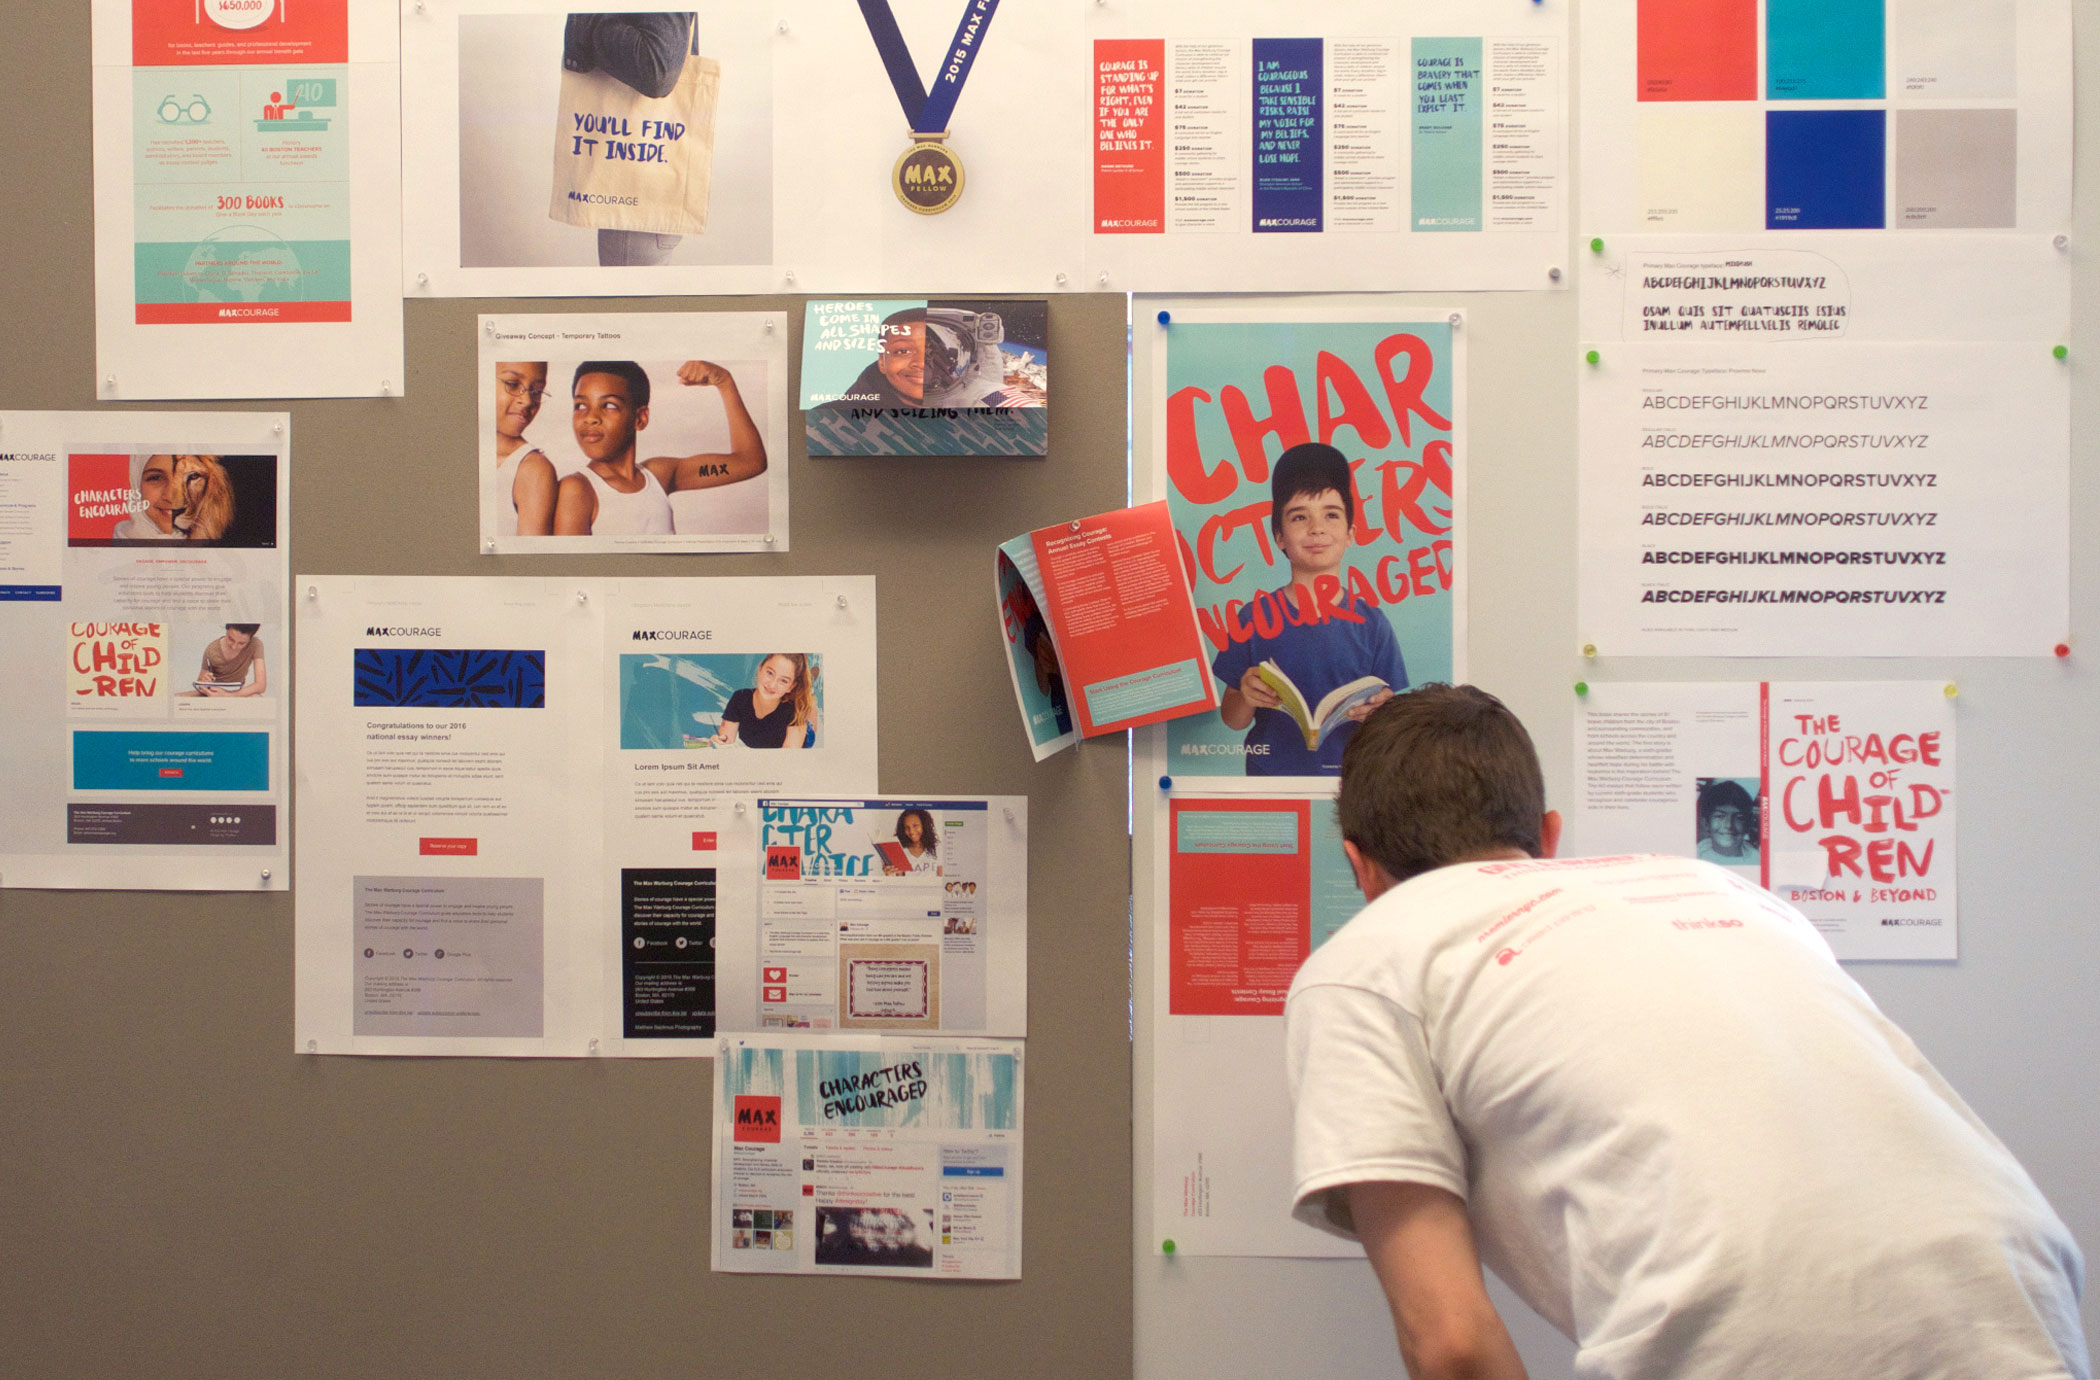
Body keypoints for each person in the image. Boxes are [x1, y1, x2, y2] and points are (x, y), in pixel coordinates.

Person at [1285, 685, 2088, 1380]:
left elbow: (1452, 1341)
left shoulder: (1369, 957)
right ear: (1549, 837)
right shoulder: (1719, 888)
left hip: (1755, 1327)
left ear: (1360, 869)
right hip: (2013, 1285)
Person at [1213, 442, 1407, 776]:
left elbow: (1392, 719)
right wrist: (1245, 695)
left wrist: (1383, 710)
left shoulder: (1371, 623)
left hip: (1351, 784)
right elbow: (1232, 720)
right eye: (1299, 516)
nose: (1316, 528)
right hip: (1270, 783)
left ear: (1350, 534)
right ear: (1279, 537)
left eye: (1331, 515)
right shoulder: (1253, 617)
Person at [552, 360, 767, 536]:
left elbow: (751, 462)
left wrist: (724, 381)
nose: (590, 418)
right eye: (580, 405)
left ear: (640, 418)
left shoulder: (658, 475)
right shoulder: (578, 489)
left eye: (609, 405)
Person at [561, 12, 696, 267]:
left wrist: (586, 22)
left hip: (636, 211)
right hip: (644, 198)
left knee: (627, 304)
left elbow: (658, 69)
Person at [488, 361, 556, 536]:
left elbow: (531, 560)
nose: (526, 401)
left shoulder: (532, 470)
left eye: (537, 391)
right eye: (512, 384)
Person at [814, 309, 926, 411]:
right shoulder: (826, 418)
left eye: (937, 352)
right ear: (882, 362)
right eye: (903, 351)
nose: (921, 363)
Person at [710, 653, 817, 749]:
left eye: (783, 680)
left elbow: (788, 758)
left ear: (791, 687)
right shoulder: (740, 698)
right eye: (770, 673)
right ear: (759, 669)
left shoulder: (795, 710)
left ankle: (811, 698)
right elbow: (726, 740)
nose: (772, 685)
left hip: (803, 736)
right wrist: (718, 741)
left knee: (809, 725)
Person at [183, 623, 266, 697]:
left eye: (241, 643)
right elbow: (200, 684)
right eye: (230, 639)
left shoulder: (255, 644)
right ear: (227, 629)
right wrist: (204, 680)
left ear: (250, 638)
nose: (234, 647)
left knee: (257, 698)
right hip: (213, 692)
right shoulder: (212, 650)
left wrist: (228, 695)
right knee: (177, 697)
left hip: (235, 692)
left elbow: (261, 685)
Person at [1694, 777, 1760, 867]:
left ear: (1748, 824)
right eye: (1720, 816)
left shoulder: (1757, 862)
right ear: (1706, 823)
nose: (1728, 825)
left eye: (1738, 818)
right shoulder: (1695, 855)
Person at [883, 808, 939, 876]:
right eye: (907, 827)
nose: (911, 832)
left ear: (924, 825)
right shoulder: (899, 851)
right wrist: (890, 876)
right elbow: (898, 880)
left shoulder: (938, 849)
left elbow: (942, 879)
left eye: (915, 825)